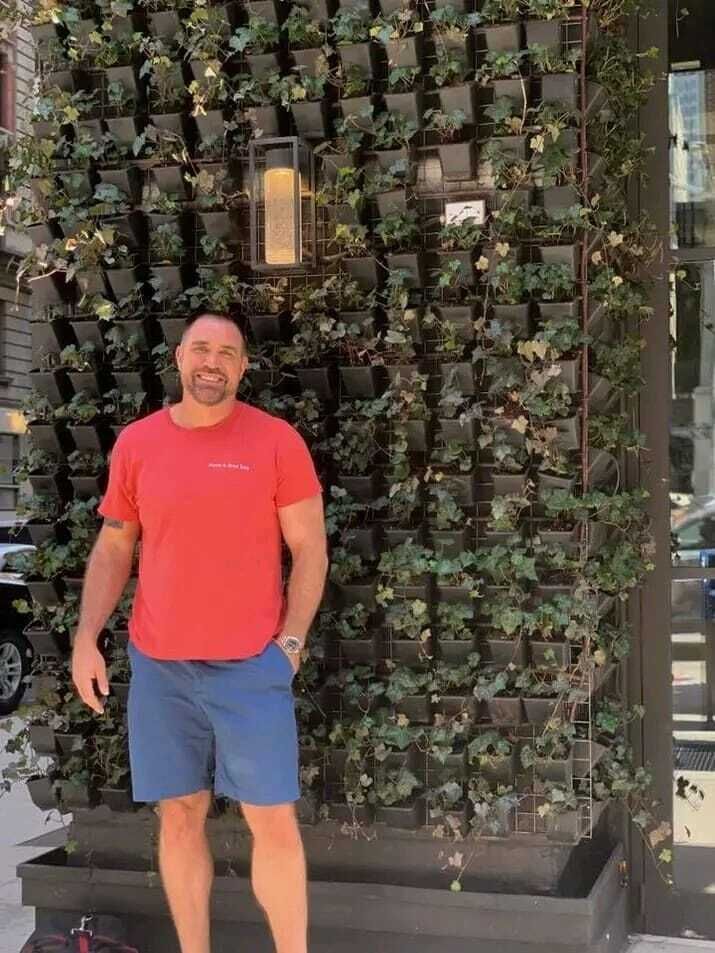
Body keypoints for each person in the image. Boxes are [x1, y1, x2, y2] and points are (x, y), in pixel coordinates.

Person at [70, 310, 329, 953]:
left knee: (272, 819)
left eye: (227, 353)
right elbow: (114, 545)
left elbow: (311, 550)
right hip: (161, 667)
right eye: (202, 349)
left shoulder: (276, 442)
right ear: (180, 358)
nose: (213, 362)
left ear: (243, 368)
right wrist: (86, 637)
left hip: (251, 666)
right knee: (180, 816)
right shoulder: (138, 444)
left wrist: (290, 645)